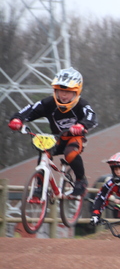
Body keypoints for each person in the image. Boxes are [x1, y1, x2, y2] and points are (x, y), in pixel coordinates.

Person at [8, 67, 97, 196]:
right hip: (57, 138)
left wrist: (82, 125)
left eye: (68, 92)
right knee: (44, 150)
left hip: (75, 138)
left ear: (76, 92)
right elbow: (30, 109)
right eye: (60, 91)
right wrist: (17, 120)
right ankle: (39, 185)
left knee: (70, 154)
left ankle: (80, 180)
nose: (63, 95)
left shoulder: (82, 105)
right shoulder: (49, 103)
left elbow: (91, 116)